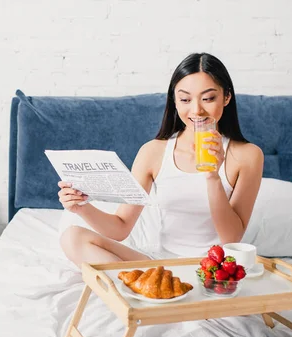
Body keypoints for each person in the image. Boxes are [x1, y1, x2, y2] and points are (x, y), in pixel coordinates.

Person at [58, 53, 264, 267]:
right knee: (72, 237)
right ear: (174, 101)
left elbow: (231, 239)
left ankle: (138, 292)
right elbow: (120, 228)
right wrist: (81, 206)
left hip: (213, 270)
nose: (196, 110)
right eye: (185, 99)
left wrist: (213, 177)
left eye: (208, 98)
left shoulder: (248, 155)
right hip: (161, 267)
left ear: (227, 97)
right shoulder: (153, 151)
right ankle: (149, 289)